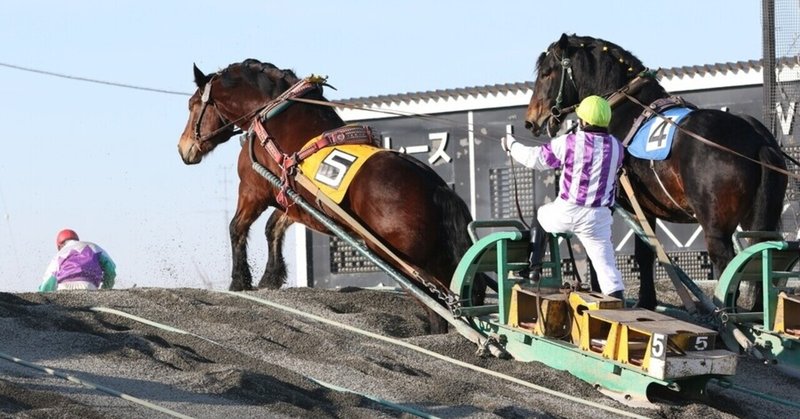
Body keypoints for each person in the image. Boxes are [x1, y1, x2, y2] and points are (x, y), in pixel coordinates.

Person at [501, 95, 625, 300]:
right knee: (608, 271)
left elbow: (535, 159)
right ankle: (622, 309)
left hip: (567, 211)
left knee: (541, 214)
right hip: (598, 219)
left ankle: (534, 268)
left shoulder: (568, 142)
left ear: (582, 121)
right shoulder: (617, 147)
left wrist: (511, 145)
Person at [39, 229, 116, 292]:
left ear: (59, 246)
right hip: (88, 285)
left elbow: (47, 282)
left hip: (64, 287)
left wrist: (42, 297)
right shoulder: (94, 247)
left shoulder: (59, 255)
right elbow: (111, 269)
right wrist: (105, 289)